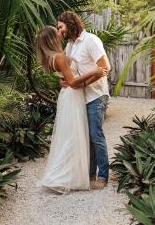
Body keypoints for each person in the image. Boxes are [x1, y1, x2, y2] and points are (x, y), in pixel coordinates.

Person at [36, 26, 107, 194]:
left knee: (71, 135)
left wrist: (69, 80)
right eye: (57, 31)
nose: (61, 33)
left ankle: (75, 173)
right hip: (73, 95)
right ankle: (64, 175)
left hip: (68, 95)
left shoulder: (51, 58)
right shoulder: (59, 57)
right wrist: (94, 71)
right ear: (52, 38)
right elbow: (73, 82)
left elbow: (68, 80)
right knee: (73, 136)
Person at [57, 11, 111, 190]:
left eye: (60, 27)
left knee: (96, 135)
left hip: (96, 95)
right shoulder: (70, 46)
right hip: (80, 97)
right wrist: (66, 80)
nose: (59, 31)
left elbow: (105, 67)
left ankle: (103, 175)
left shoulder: (91, 41)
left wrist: (83, 83)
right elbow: (71, 72)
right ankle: (89, 175)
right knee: (86, 137)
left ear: (70, 24)